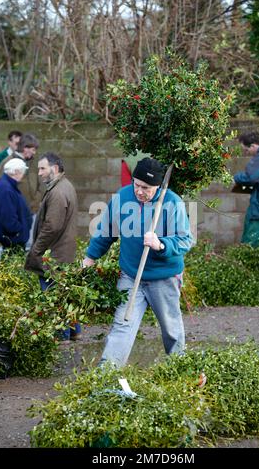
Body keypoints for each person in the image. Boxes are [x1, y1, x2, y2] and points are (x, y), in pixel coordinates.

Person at [83, 157, 194, 368]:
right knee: (122, 324)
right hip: (130, 275)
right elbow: (106, 230)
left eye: (146, 188)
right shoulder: (122, 197)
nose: (139, 191)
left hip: (164, 278)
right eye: (137, 184)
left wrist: (160, 244)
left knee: (171, 329)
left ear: (158, 187)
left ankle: (180, 370)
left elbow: (185, 240)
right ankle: (107, 373)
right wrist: (90, 258)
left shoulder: (172, 203)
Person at [24, 152, 80, 342]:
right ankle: (74, 331)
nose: (39, 173)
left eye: (42, 168)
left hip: (54, 257)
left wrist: (36, 250)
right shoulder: (64, 186)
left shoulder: (57, 192)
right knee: (65, 295)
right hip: (62, 253)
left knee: (54, 299)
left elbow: (51, 226)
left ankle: (61, 339)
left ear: (54, 169)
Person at [0, 158, 32, 252]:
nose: (23, 175)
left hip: (13, 239)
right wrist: (20, 230)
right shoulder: (6, 189)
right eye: (23, 172)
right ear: (16, 172)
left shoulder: (7, 185)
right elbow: (8, 219)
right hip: (13, 241)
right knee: (13, 265)